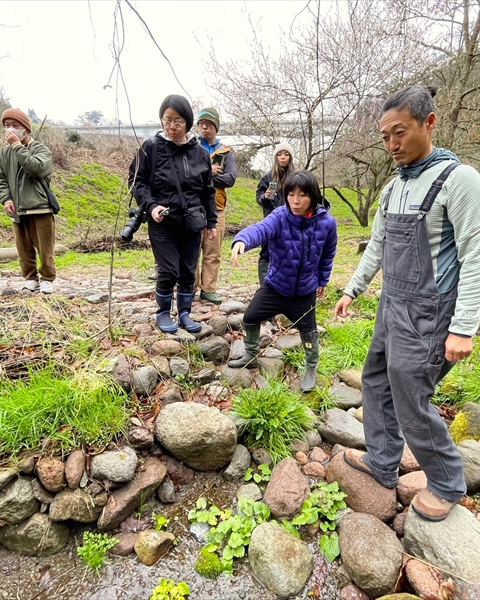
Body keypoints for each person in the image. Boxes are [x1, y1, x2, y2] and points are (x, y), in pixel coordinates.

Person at [333, 86, 480, 522]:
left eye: (399, 133)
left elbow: (477, 258)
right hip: (392, 303)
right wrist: (352, 290)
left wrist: (463, 327)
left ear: (430, 123)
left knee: (410, 396)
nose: (392, 145)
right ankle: (383, 463)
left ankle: (445, 481)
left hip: (430, 311)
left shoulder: (460, 182)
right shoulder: (392, 189)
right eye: (385, 137)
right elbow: (377, 247)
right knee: (376, 379)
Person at [229, 170, 337, 392]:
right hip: (276, 286)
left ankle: (311, 367)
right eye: (291, 194)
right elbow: (260, 229)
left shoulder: (327, 223)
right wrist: (242, 240)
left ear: (314, 196)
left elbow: (328, 254)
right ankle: (250, 353)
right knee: (249, 317)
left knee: (309, 332)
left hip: (305, 292)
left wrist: (322, 280)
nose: (295, 201)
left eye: (303, 195)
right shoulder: (280, 216)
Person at [128, 95, 217, 334]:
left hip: (192, 222)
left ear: (187, 123)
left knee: (188, 270)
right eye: (167, 120)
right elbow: (137, 182)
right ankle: (163, 312)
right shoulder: (151, 148)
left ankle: (185, 313)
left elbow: (208, 191)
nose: (171, 127)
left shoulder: (199, 153)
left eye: (177, 122)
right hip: (163, 221)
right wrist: (151, 205)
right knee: (168, 270)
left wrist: (212, 222)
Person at [0, 108, 56, 293]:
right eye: (7, 126)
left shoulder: (41, 150)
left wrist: (17, 146)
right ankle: (30, 278)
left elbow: (36, 168)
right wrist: (5, 199)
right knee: (23, 248)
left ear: (26, 129)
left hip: (40, 207)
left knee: (45, 247)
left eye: (15, 125)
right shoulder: (4, 153)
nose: (10, 129)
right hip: (17, 209)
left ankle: (47, 279)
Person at [194, 107, 237, 305]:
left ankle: (208, 289)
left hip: (217, 208)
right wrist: (207, 172)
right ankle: (189, 287)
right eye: (201, 123)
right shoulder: (191, 147)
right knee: (192, 250)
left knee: (213, 252)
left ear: (216, 128)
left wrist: (211, 176)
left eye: (209, 124)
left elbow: (231, 178)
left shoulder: (226, 151)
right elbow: (187, 174)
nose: (204, 127)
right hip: (193, 207)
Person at [255, 143, 295, 285]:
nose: (282, 157)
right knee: (266, 252)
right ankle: (264, 286)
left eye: (286, 154)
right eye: (279, 154)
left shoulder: (296, 177)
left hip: (291, 222)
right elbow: (259, 198)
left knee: (289, 252)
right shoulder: (268, 177)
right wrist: (265, 197)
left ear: (290, 157)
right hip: (270, 221)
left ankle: (285, 283)